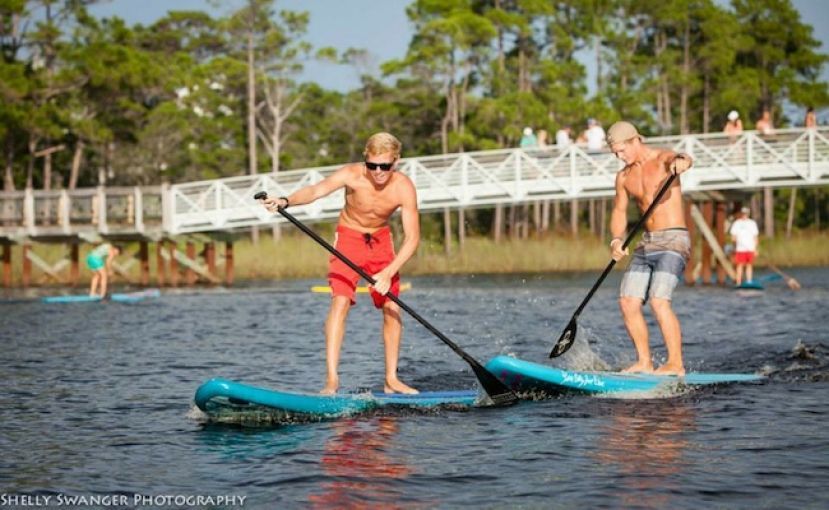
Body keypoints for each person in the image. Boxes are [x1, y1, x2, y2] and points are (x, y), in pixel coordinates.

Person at [260, 132, 419, 395]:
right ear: (365, 160)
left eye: (385, 166)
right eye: (372, 166)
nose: (378, 172)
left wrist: (388, 272)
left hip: (381, 242)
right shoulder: (351, 174)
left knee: (392, 306)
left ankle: (391, 379)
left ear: (396, 162)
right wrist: (286, 200)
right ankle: (332, 381)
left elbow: (412, 239)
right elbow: (316, 190)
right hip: (349, 238)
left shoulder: (403, 187)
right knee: (340, 301)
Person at [606, 121, 693, 376]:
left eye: (622, 151)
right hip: (647, 241)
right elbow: (619, 211)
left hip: (674, 240)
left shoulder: (663, 159)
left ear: (635, 141)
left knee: (658, 300)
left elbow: (683, 158)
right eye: (615, 153)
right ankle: (644, 361)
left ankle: (675, 363)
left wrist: (683, 162)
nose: (619, 157)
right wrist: (615, 240)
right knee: (627, 302)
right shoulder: (623, 176)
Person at [729, 206, 759, 286]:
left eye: (746, 213)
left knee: (749, 265)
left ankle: (749, 281)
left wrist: (755, 249)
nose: (744, 215)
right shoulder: (737, 223)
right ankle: (738, 282)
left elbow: (755, 237)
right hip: (740, 249)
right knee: (740, 265)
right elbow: (733, 237)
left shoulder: (752, 223)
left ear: (748, 214)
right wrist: (735, 245)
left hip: (750, 248)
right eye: (743, 213)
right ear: (741, 214)